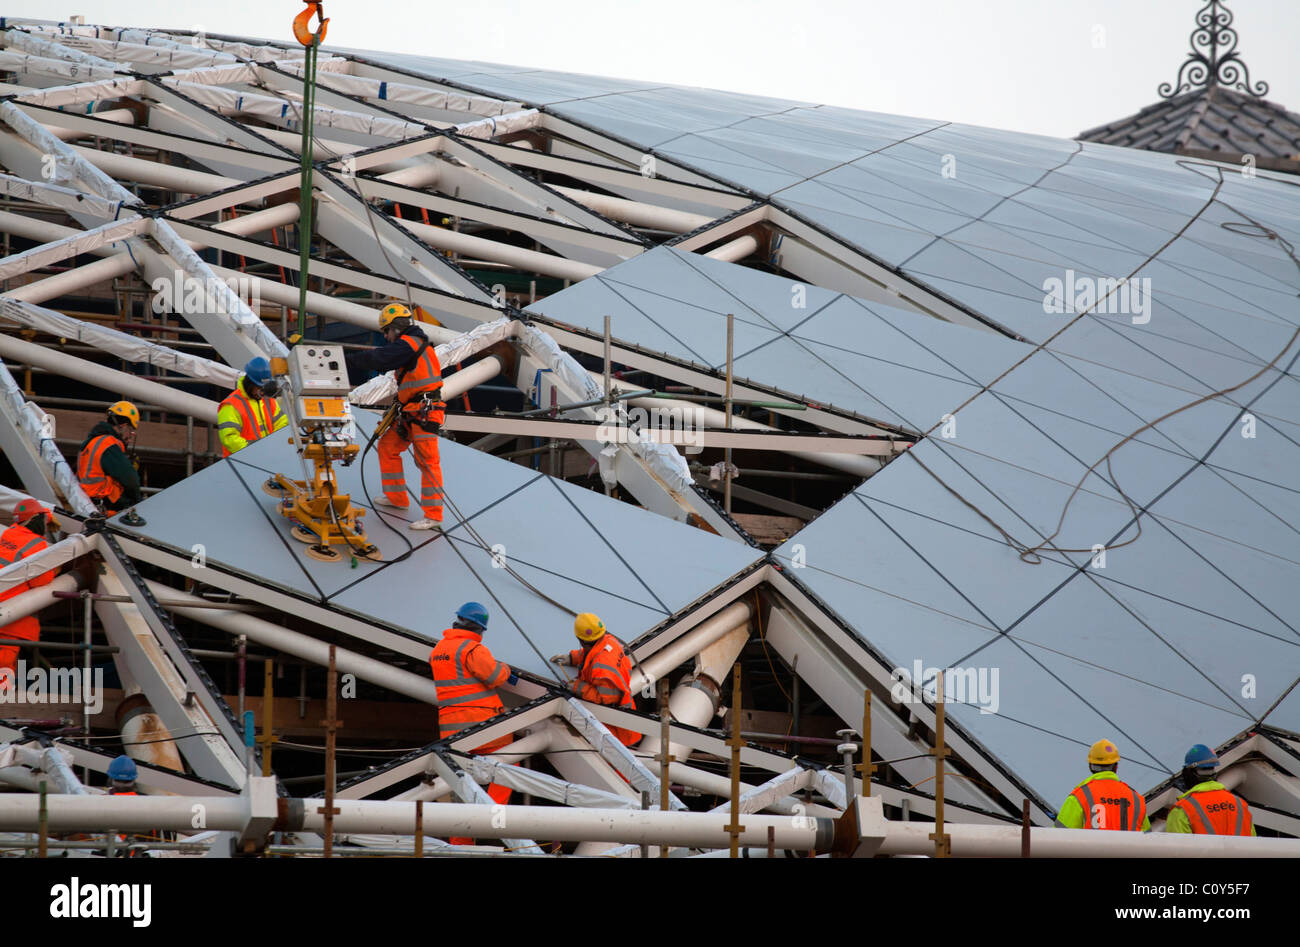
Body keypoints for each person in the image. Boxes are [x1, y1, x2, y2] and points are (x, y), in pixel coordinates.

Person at [345, 303, 445, 530]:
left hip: (424, 411)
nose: (385, 336)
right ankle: (397, 498)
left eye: (386, 331)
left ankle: (434, 515)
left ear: (395, 329)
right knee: (388, 447)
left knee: (427, 461)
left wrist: (347, 360)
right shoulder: (412, 344)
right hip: (411, 409)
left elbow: (379, 359)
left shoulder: (408, 344)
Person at [429, 602, 517, 843]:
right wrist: (506, 669)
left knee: (460, 785)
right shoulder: (472, 649)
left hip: (452, 730)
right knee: (511, 760)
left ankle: (461, 843)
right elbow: (494, 676)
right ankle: (493, 812)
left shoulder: (439, 648)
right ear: (479, 628)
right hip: (481, 724)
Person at [551, 612, 640, 747]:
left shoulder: (601, 667)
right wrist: (572, 658)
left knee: (614, 764)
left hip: (616, 728)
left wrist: (577, 686)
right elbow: (590, 654)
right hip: (623, 722)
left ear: (579, 639)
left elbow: (605, 699)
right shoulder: (609, 641)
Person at [0, 499, 56, 679]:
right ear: (37, 520)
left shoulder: (9, 533)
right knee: (4, 666)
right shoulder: (36, 544)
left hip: (5, 606)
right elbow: (42, 580)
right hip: (11, 617)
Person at [1055, 739, 1150, 831]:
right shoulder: (1136, 799)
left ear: (1090, 766)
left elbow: (1059, 836)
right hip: (1128, 848)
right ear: (1116, 767)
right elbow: (1148, 840)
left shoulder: (1079, 796)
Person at [1165, 744, 1255, 836]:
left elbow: (1176, 848)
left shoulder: (1182, 809)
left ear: (1188, 773)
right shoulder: (1239, 804)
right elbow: (1253, 841)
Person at [76, 401, 142, 514]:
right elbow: (131, 480)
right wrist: (139, 502)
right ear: (123, 426)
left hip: (88, 504)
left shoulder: (93, 442)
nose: (130, 437)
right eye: (131, 431)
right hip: (104, 507)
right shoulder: (108, 444)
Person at [217, 356, 286, 457]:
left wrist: (275, 448)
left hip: (267, 459)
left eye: (264, 388)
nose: (262, 392)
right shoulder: (231, 405)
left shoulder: (269, 400)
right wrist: (254, 452)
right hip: (242, 463)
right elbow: (229, 438)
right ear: (250, 384)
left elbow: (282, 425)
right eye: (259, 388)